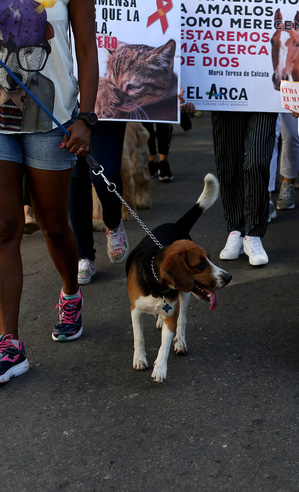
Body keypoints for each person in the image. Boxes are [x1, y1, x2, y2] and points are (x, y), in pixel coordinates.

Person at [0, 0, 98, 383]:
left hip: (52, 116)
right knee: (5, 229)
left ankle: (71, 294)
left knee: (53, 224)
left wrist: (86, 118)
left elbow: (88, 50)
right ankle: (9, 342)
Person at [214, 111, 278, 266]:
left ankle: (253, 234)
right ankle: (236, 229)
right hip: (225, 96)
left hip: (264, 96)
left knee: (256, 162)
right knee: (228, 163)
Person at [69, 121, 128, 285]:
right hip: (67, 104)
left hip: (106, 107)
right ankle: (84, 255)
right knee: (75, 177)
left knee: (105, 174)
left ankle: (113, 224)